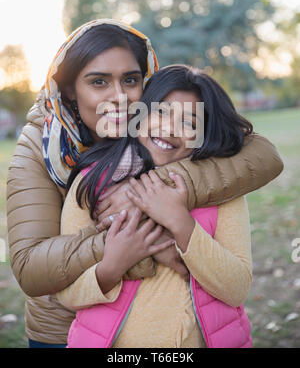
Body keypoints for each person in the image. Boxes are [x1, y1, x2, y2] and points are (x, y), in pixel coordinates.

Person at [6, 19, 283, 348]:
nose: (120, 96)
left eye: (131, 80)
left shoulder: (155, 121)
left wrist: (149, 191)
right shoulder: (38, 149)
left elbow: (263, 154)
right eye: (98, 82)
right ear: (69, 89)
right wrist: (132, 244)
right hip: (62, 328)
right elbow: (30, 268)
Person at [57, 65, 254, 348]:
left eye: (189, 123)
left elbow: (237, 289)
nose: (170, 128)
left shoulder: (225, 194)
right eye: (160, 112)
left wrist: (181, 223)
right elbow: (67, 293)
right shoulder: (92, 184)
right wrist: (112, 267)